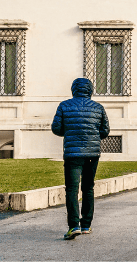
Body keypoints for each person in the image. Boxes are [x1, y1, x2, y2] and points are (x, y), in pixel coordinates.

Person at [51, 77, 110, 240]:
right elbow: (105, 131)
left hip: (72, 154)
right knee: (88, 188)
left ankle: (73, 225)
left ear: (73, 89)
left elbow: (56, 128)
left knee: (71, 189)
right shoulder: (98, 108)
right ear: (90, 90)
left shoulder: (64, 105)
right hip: (92, 154)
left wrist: (69, 133)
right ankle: (86, 225)